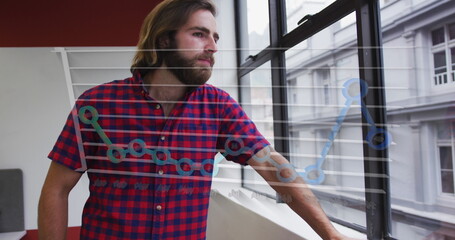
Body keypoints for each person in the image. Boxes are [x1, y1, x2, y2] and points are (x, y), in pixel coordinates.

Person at [38, 0, 355, 239]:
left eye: (215, 37)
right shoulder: (97, 104)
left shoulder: (218, 106)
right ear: (164, 41)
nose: (213, 47)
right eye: (199, 34)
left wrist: (331, 235)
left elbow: (274, 166)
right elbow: (56, 189)